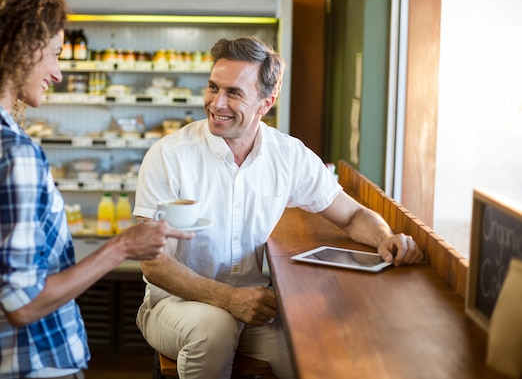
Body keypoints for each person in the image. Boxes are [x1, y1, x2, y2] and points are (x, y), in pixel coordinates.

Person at [0, 0, 194, 379]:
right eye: (53, 53)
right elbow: (25, 305)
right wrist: (122, 247)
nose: (58, 72)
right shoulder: (13, 155)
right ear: (21, 50)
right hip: (32, 364)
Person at [133, 36, 424, 379]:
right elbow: (154, 265)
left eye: (234, 93)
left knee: (315, 348)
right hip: (177, 306)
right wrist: (228, 299)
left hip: (253, 308)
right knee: (215, 330)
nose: (216, 102)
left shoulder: (288, 155)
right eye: (213, 88)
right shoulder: (168, 156)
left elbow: (353, 214)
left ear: (265, 103)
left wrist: (385, 238)